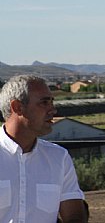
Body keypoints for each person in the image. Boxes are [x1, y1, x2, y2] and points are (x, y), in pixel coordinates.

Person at [0, 75, 87, 223]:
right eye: (44, 102)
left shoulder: (59, 157)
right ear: (17, 107)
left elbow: (74, 216)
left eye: (52, 102)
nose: (53, 110)